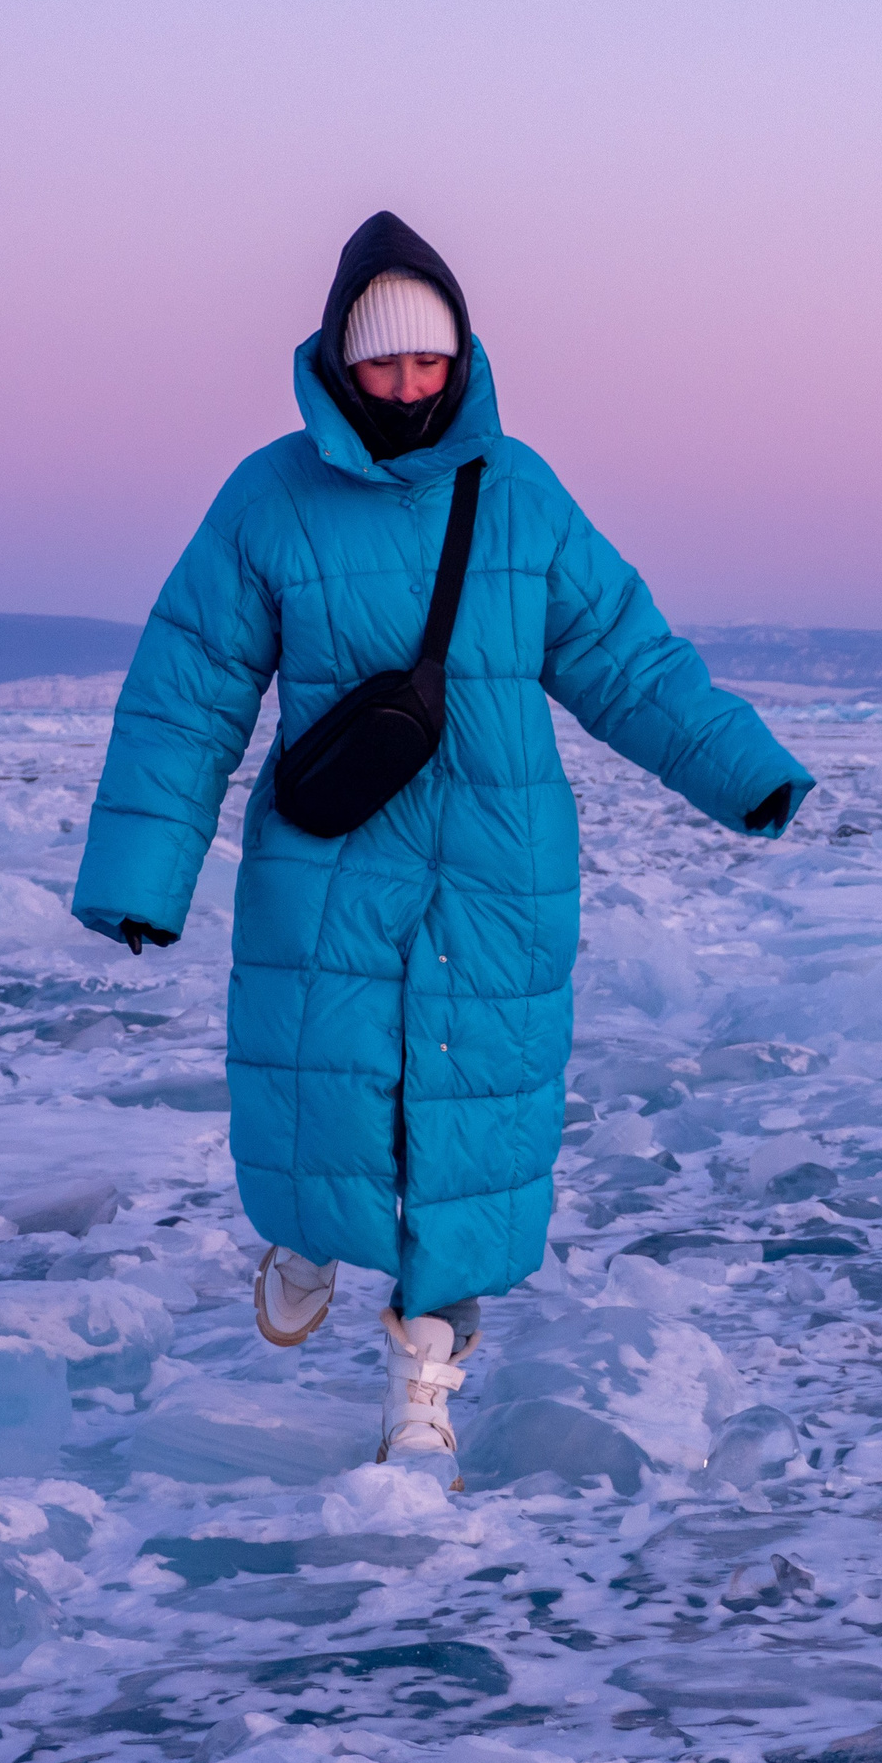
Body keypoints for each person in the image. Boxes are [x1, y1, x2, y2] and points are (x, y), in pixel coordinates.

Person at [71, 211, 812, 1476]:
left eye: (429, 363)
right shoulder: (270, 497)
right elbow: (190, 688)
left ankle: (427, 1366)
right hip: (334, 848)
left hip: (497, 857)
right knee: (325, 1080)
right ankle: (310, 1236)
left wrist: (744, 774)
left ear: (462, 357)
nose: (408, 387)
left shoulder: (516, 491)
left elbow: (624, 658)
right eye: (382, 364)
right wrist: (142, 880)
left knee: (475, 1113)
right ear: (338, 360)